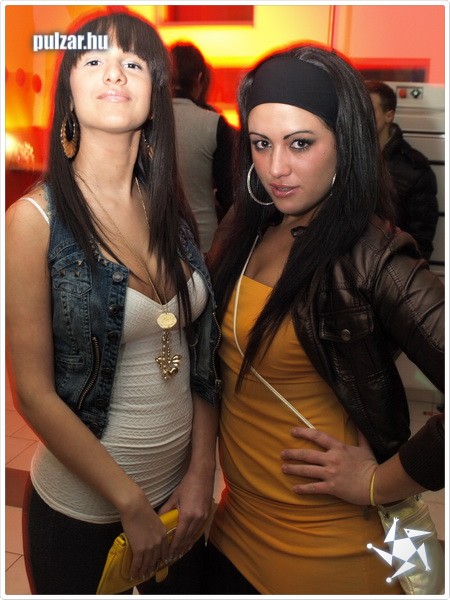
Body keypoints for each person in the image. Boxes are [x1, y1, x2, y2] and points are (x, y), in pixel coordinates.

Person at [204, 43, 444, 595]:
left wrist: (378, 482)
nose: (276, 168)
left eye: (301, 143)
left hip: (330, 553)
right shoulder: (246, 227)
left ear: (346, 143)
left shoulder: (373, 255)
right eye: (261, 144)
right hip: (235, 528)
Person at [5, 11, 221, 595]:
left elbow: (201, 354)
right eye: (94, 60)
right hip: (84, 516)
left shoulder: (168, 209)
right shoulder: (33, 221)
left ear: (155, 93)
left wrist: (201, 472)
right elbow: (32, 395)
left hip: (178, 502)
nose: (115, 73)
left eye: (133, 62)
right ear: (69, 93)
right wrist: (130, 503)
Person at [169, 41, 236, 253]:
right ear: (200, 78)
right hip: (203, 240)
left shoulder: (146, 120)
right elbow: (229, 195)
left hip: (156, 239)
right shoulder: (213, 124)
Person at [365, 79, 439, 261]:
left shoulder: (415, 169)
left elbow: (420, 241)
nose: (362, 116)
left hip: (387, 268)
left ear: (389, 116)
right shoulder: (343, 155)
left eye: (370, 110)